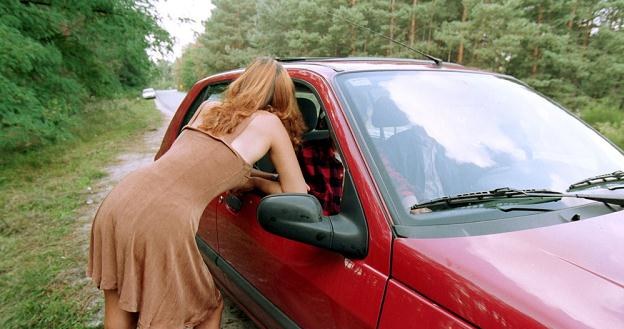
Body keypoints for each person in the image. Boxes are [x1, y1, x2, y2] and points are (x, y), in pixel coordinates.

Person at [87, 57, 308, 329]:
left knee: (120, 297)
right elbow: (298, 193)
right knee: (206, 309)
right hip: (162, 219)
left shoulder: (208, 107)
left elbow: (198, 164)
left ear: (243, 83)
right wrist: (260, 183)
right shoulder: (270, 123)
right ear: (284, 96)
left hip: (121, 199)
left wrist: (248, 177)